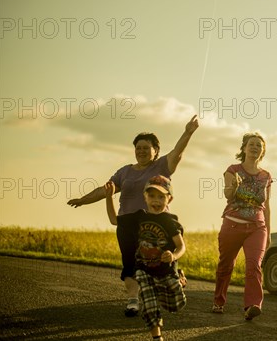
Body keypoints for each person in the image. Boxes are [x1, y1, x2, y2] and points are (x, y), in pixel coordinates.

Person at [67, 115, 198, 316]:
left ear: (156, 151)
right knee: (130, 262)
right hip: (127, 223)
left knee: (158, 261)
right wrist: (82, 200)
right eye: (138, 148)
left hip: (156, 222)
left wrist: (188, 132)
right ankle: (133, 301)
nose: (141, 151)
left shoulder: (162, 166)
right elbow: (105, 190)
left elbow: (177, 153)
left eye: (146, 147)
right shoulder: (125, 172)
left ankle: (175, 275)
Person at [105, 175, 186, 341]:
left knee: (176, 304)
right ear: (145, 197)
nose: (156, 201)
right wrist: (108, 196)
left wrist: (173, 256)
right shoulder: (138, 217)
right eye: (152, 196)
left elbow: (181, 246)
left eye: (161, 197)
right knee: (150, 304)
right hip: (143, 268)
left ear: (169, 199)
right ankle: (157, 337)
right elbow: (114, 220)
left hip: (165, 270)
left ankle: (180, 280)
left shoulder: (169, 221)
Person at [212, 133, 272, 321]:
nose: (254, 147)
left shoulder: (266, 176)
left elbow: (266, 205)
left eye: (258, 145)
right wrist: (235, 187)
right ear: (244, 148)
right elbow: (228, 196)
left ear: (262, 151)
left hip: (257, 227)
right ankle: (219, 300)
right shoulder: (233, 170)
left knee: (254, 265)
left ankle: (252, 305)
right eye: (251, 144)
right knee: (225, 265)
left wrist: (268, 232)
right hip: (232, 225)